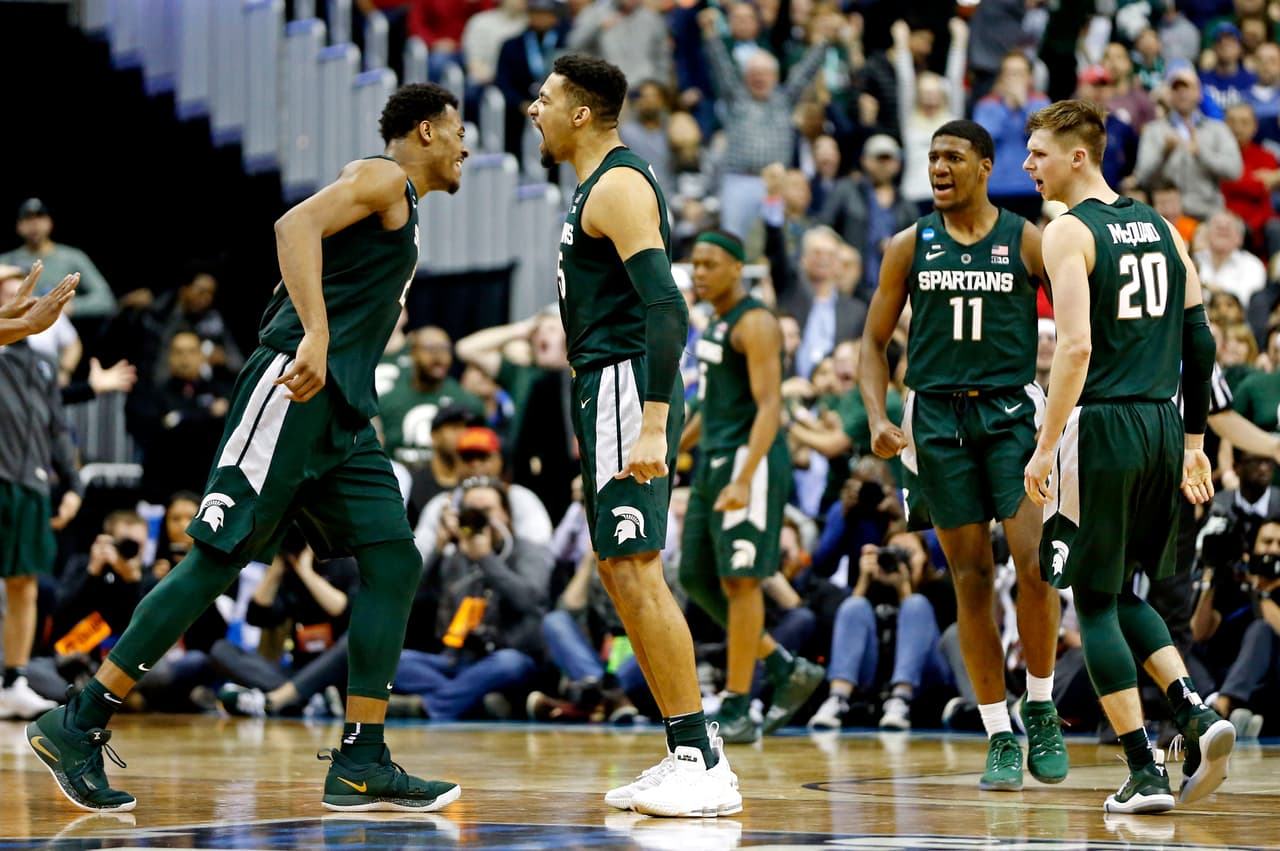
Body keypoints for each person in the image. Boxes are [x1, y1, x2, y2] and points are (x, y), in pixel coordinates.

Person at [26, 82, 469, 814]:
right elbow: (292, 225)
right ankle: (78, 720)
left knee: (394, 558)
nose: (464, 148)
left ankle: (362, 757)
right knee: (217, 558)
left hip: (343, 414)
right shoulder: (383, 176)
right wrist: (320, 334)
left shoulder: (402, 210)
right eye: (458, 133)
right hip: (293, 384)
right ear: (425, 131)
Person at [528, 53, 740, 818]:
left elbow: (666, 307)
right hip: (603, 384)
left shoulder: (617, 184)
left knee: (639, 567)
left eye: (545, 99)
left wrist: (652, 418)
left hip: (626, 384)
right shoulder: (593, 185)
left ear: (580, 112)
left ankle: (699, 758)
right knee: (619, 571)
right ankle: (688, 745)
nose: (533, 109)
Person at [1021, 98, 1235, 813]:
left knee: (1091, 596)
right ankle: (1197, 714)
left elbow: (1074, 346)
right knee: (1124, 588)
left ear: (1079, 156)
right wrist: (1198, 442)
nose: (1028, 166)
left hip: (1104, 424)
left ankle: (1144, 768)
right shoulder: (1165, 228)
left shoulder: (1068, 232)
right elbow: (1201, 340)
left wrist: (1047, 444)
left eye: (1038, 153)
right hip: (1164, 423)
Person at [860, 119, 1069, 793]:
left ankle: (1040, 705)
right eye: (933, 157)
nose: (939, 167)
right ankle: (998, 731)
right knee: (971, 577)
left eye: (953, 156)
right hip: (937, 418)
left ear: (985, 165)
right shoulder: (907, 245)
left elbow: (1077, 324)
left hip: (1011, 412)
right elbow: (872, 345)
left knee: (1035, 563)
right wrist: (876, 416)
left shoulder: (1028, 238)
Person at [677, 229, 824, 744]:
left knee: (741, 582)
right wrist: (674, 447)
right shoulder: (714, 321)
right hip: (713, 461)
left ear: (738, 269)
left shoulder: (756, 323)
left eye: (710, 264)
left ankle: (740, 702)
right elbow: (712, 405)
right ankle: (782, 665)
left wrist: (744, 478)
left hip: (749, 463)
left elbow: (770, 408)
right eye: (695, 264)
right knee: (695, 574)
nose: (699, 273)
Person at [0, 260, 79, 348]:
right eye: (11, 295)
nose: (15, 301)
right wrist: (29, 323)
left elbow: (73, 345)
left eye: (19, 294)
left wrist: (4, 314)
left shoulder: (45, 310)